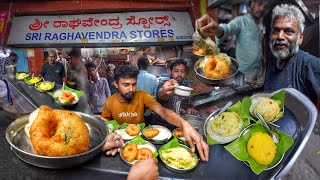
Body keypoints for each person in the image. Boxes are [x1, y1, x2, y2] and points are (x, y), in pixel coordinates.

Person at [101, 65, 209, 161]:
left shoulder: (142, 96)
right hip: (118, 144)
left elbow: (162, 111)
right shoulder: (110, 101)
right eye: (126, 85)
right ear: (116, 84)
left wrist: (184, 124)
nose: (131, 89)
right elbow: (105, 122)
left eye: (134, 84)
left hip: (141, 144)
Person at [196, 0, 273, 85]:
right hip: (243, 73)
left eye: (265, 7)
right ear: (252, 3)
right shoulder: (241, 21)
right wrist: (218, 30)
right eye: (259, 3)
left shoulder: (261, 25)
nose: (262, 8)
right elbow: (228, 29)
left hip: (258, 73)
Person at [264, 4, 320, 105]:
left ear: (300, 38)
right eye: (276, 31)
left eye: (288, 31)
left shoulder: (310, 65)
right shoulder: (270, 67)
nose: (280, 36)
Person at [136, 56, 158, 124]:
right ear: (147, 66)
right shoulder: (153, 78)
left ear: (137, 65)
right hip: (148, 112)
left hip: (134, 112)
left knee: (135, 131)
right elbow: (155, 97)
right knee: (147, 131)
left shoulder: (133, 77)